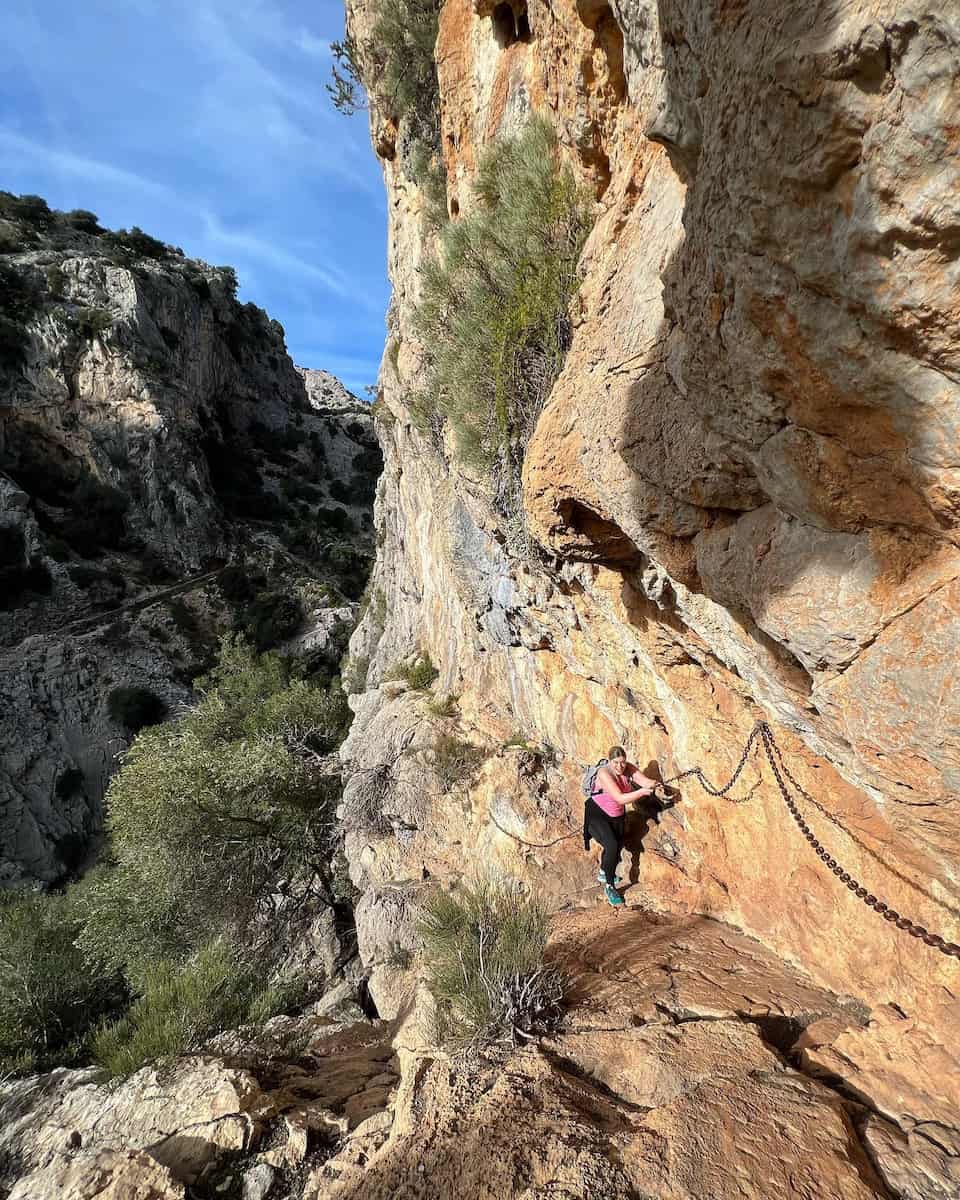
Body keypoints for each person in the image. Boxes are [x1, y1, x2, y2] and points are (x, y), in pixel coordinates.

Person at [584, 746, 661, 907]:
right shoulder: (604, 774)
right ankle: (610, 886)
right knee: (611, 844)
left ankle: (604, 871)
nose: (620, 766)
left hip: (617, 815)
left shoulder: (628, 768)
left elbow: (645, 781)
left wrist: (655, 784)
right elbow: (619, 798)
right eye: (616, 762)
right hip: (598, 814)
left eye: (623, 762)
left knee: (617, 844)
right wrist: (642, 792)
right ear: (610, 761)